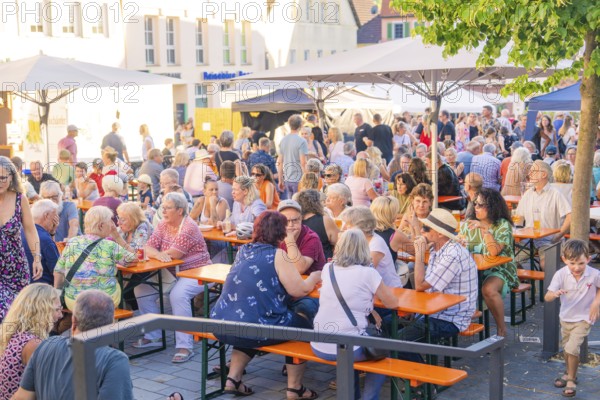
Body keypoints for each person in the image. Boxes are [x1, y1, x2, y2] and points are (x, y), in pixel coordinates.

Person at [211, 211, 322, 398]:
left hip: (221, 322)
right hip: (254, 327)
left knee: (251, 320)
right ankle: (295, 388)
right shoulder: (278, 254)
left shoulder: (244, 250)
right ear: (281, 233)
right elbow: (299, 290)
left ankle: (233, 378)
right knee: (303, 327)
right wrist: (314, 277)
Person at [311, 229, 398, 400]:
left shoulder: (328, 268)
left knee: (350, 345)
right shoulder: (368, 273)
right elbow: (392, 303)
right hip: (346, 347)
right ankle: (369, 398)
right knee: (382, 352)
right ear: (363, 249)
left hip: (319, 344)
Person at [12, 290, 134, 400]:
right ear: (111, 323)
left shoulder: (46, 345)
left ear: (74, 320)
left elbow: (22, 397)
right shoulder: (114, 360)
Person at [135, 193, 212, 361]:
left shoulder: (189, 227)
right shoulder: (163, 224)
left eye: (167, 208)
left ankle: (185, 346)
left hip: (197, 270)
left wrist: (158, 254)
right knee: (141, 290)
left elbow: (175, 253)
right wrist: (159, 254)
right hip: (171, 271)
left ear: (180, 210)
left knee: (177, 295)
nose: (163, 211)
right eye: (163, 207)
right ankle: (154, 335)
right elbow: (148, 247)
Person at [398, 208, 477, 362]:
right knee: (390, 327)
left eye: (426, 228)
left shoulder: (451, 255)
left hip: (451, 319)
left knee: (398, 342)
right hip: (436, 311)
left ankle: (423, 381)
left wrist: (419, 253)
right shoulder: (439, 248)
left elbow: (420, 286)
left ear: (440, 233)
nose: (421, 230)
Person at [545, 239, 600, 398]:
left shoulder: (594, 274)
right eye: (573, 263)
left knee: (571, 349)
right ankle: (568, 371)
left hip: (584, 318)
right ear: (564, 260)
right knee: (567, 349)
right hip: (566, 317)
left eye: (581, 263)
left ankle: (571, 379)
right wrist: (554, 294)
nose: (577, 267)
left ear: (588, 259)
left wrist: (596, 303)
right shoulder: (560, 274)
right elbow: (547, 296)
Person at [460, 188, 519, 337]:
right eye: (475, 204)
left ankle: (501, 329)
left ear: (492, 206)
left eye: (481, 205)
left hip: (501, 269)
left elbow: (493, 252)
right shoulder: (469, 224)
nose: (476, 208)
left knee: (488, 290)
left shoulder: (502, 225)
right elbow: (459, 243)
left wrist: (486, 231)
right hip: (474, 269)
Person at [54, 206, 136, 310]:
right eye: (110, 221)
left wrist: (57, 295)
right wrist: (117, 236)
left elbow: (58, 272)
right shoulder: (109, 245)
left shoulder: (72, 242)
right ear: (101, 226)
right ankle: (112, 324)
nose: (113, 225)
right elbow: (133, 259)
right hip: (103, 302)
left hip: (74, 302)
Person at [0, 284, 62, 399]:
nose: (60, 315)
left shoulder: (14, 333)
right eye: (57, 309)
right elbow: (46, 390)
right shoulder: (34, 344)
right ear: (41, 310)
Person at [515, 160, 572, 270]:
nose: (529, 174)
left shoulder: (555, 193)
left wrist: (557, 236)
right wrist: (516, 232)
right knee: (509, 261)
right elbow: (519, 217)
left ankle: (549, 287)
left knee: (546, 265)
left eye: (533, 171)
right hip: (528, 240)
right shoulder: (528, 194)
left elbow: (570, 216)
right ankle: (526, 283)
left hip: (549, 240)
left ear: (544, 174)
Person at [277, 199, 325, 325]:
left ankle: (300, 340)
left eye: (295, 220)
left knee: (304, 309)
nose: (291, 225)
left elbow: (299, 268)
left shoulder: (311, 238)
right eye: (286, 221)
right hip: (284, 287)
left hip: (310, 291)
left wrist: (289, 239)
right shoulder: (275, 234)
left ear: (301, 219)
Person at [341, 206, 404, 288]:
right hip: (371, 289)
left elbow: (364, 272)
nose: (343, 228)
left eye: (348, 225)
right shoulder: (357, 240)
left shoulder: (376, 243)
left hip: (389, 290)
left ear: (361, 226)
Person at [21, 199, 60, 285]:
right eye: (55, 216)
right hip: (42, 289)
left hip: (22, 288)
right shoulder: (45, 239)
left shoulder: (20, 232)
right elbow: (57, 271)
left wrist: (52, 233)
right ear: (46, 215)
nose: (57, 221)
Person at [296, 190, 338, 261]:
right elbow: (338, 242)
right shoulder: (325, 220)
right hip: (323, 263)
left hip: (300, 260)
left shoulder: (294, 222)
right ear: (317, 203)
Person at [278, 114, 308, 198]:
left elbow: (280, 162)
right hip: (299, 179)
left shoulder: (283, 140)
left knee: (291, 206)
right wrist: (307, 180)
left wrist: (280, 180)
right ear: (301, 125)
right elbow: (303, 163)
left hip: (287, 179)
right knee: (300, 206)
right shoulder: (302, 141)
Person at [371, 196, 401, 263]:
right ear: (392, 214)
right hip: (386, 273)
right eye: (396, 212)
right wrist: (414, 226)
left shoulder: (365, 232)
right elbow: (418, 251)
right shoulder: (394, 235)